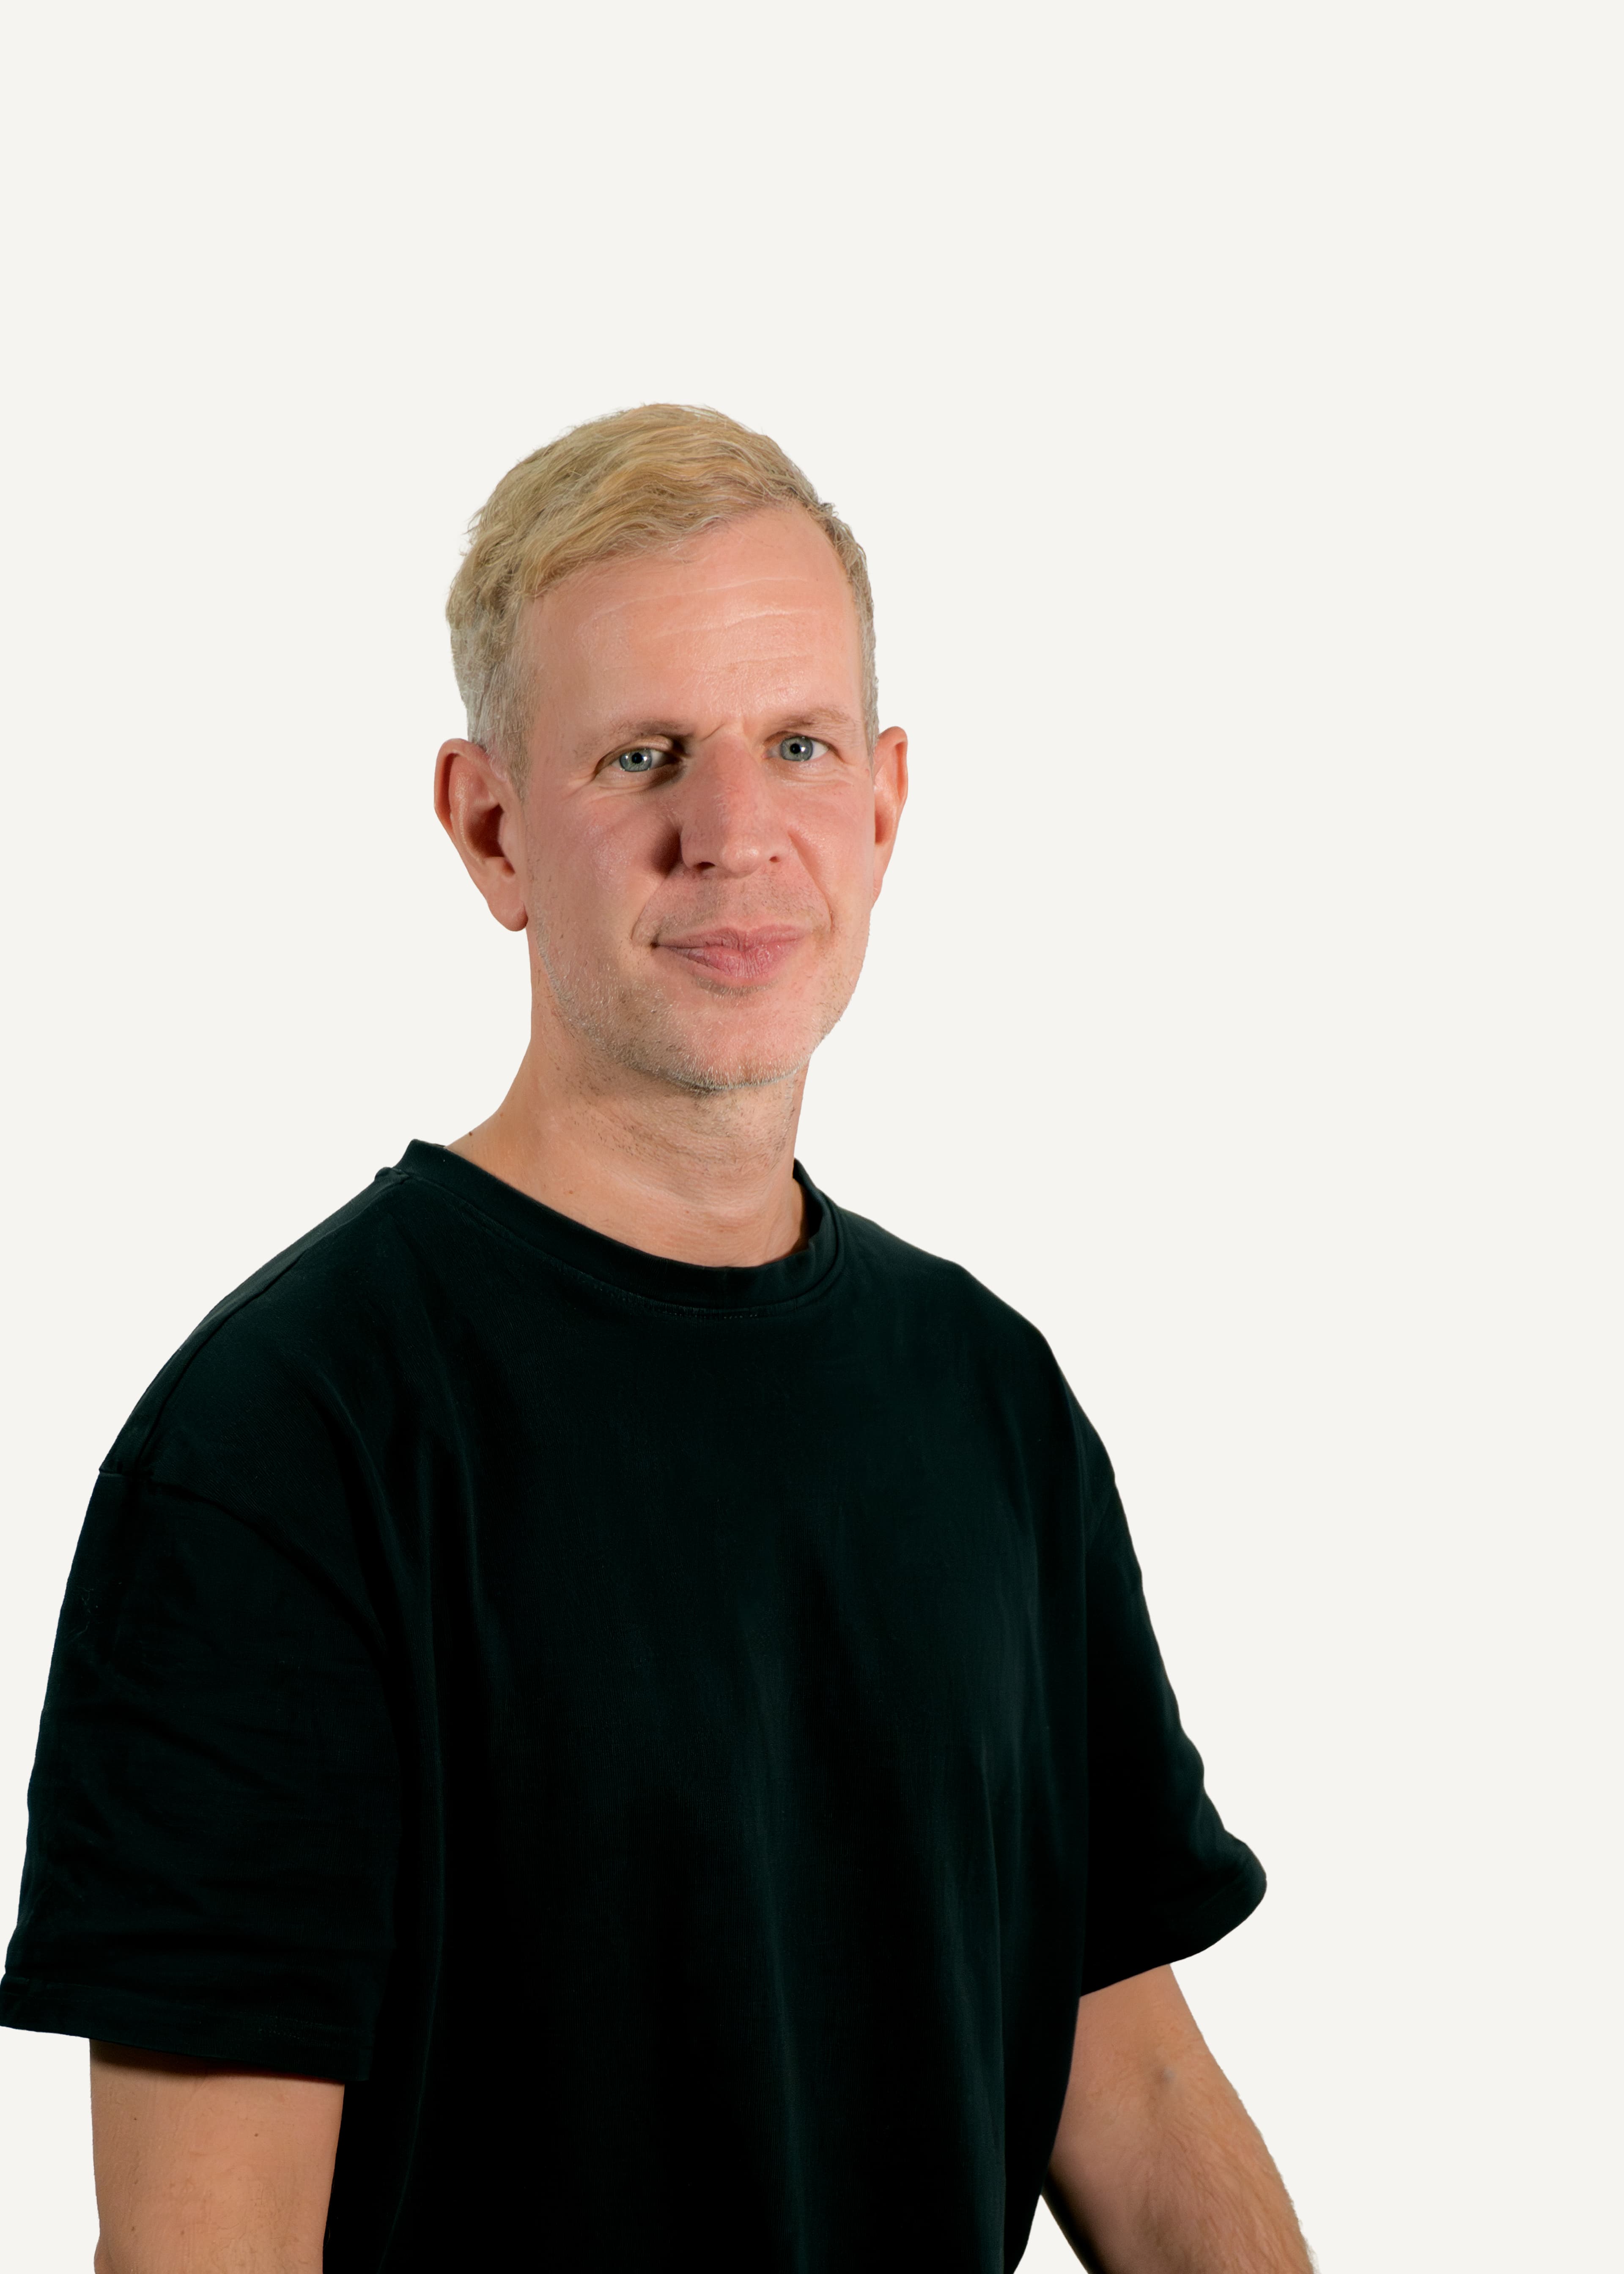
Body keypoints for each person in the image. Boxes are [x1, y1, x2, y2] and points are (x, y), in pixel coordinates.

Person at [2, 405, 1311, 2273]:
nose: (733, 834)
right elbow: (203, 2254)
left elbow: (1135, 2081)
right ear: (490, 825)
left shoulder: (986, 1398)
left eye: (797, 743)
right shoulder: (289, 1439)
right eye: (642, 758)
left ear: (887, 800)